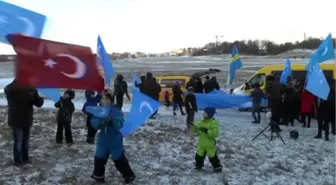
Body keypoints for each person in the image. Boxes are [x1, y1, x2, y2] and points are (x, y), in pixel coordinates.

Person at [90, 92, 135, 184]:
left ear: (111, 101)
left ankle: (128, 176)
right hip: (103, 140)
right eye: (102, 98)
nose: (104, 101)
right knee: (99, 158)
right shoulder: (99, 111)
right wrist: (102, 123)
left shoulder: (117, 111)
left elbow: (120, 124)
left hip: (114, 140)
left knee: (119, 159)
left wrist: (113, 122)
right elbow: (94, 123)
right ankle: (98, 176)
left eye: (107, 99)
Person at [5, 79, 44, 166]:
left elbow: (38, 103)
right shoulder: (12, 89)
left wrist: (37, 98)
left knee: (25, 141)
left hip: (26, 119)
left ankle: (25, 159)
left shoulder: (31, 89)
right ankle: (18, 161)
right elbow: (7, 89)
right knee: (18, 141)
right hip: (16, 119)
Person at [192, 107, 222, 172]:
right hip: (202, 143)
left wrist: (206, 130)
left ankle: (217, 167)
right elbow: (196, 131)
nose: (203, 114)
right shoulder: (201, 122)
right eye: (203, 112)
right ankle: (198, 165)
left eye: (205, 113)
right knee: (198, 156)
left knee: (212, 157)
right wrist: (194, 127)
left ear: (209, 114)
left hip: (210, 144)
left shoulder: (214, 122)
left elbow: (215, 133)